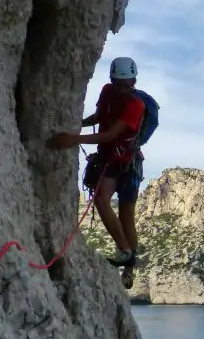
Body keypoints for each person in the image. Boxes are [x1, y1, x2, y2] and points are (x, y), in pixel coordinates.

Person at [47, 56, 145, 268]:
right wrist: (78, 123)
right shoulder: (107, 92)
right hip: (110, 158)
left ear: (133, 83)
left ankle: (130, 266)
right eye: (118, 84)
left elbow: (110, 134)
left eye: (127, 86)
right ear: (111, 80)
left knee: (127, 215)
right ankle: (125, 252)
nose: (122, 90)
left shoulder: (135, 104)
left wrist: (73, 138)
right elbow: (100, 117)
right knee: (101, 200)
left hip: (126, 162)